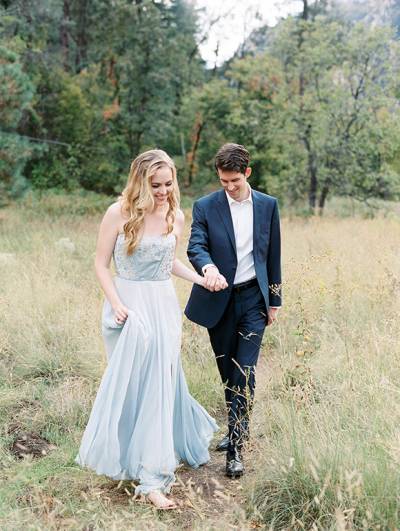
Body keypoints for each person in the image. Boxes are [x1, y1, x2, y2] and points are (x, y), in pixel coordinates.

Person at [75, 149, 219, 510]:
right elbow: (100, 263)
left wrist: (200, 279)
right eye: (155, 185)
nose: (163, 191)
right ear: (140, 182)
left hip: (162, 306)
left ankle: (153, 478)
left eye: (168, 183)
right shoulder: (118, 213)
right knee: (131, 383)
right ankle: (127, 456)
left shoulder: (175, 214)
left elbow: (168, 262)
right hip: (126, 306)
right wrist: (118, 304)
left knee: (160, 381)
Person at [185, 143, 282, 478]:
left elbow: (273, 256)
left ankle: (237, 447)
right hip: (220, 300)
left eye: (235, 181)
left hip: (254, 299)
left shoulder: (268, 205)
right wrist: (207, 267)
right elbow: (195, 244)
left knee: (245, 371)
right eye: (223, 181)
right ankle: (234, 427)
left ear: (247, 173)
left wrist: (275, 300)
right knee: (228, 370)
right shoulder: (205, 206)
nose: (229, 187)